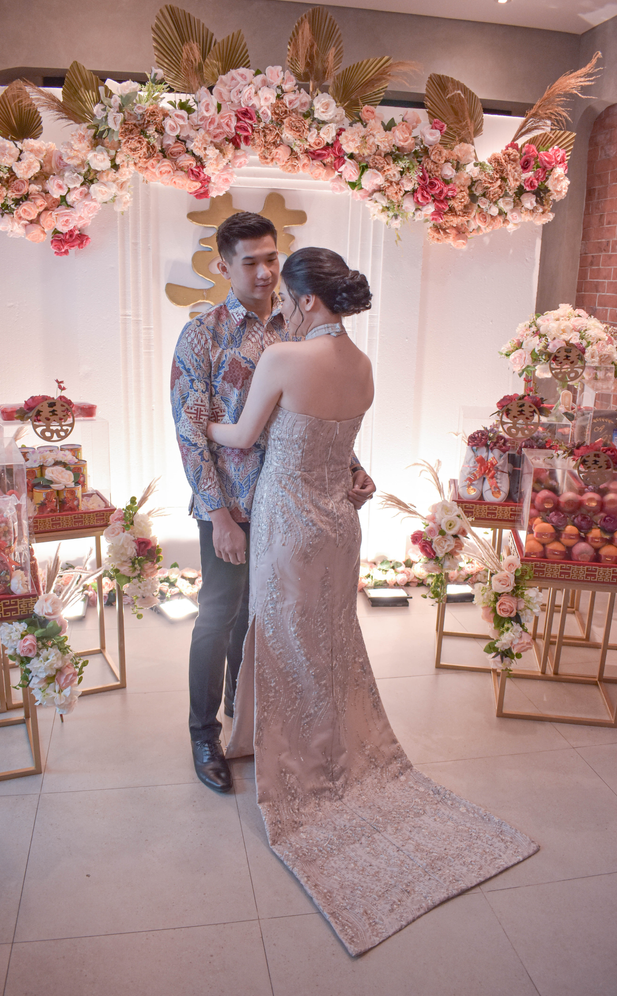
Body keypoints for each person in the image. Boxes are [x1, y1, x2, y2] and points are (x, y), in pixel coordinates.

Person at [206, 247, 538, 956]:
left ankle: (301, 768)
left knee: (287, 639)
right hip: (340, 524)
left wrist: (202, 422)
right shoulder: (362, 367)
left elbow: (241, 436)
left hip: (290, 523)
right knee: (327, 641)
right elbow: (341, 452)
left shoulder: (285, 359)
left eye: (291, 297)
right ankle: (310, 748)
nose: (285, 306)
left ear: (308, 300)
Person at [171, 215, 375, 795]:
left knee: (263, 626)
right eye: (250, 262)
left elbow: (317, 421)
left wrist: (354, 469)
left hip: (294, 507)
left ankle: (253, 727)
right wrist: (217, 516)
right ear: (223, 267)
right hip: (234, 506)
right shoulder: (203, 334)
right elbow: (190, 432)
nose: (264, 273)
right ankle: (203, 733)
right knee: (218, 618)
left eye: (271, 259)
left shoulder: (302, 324)